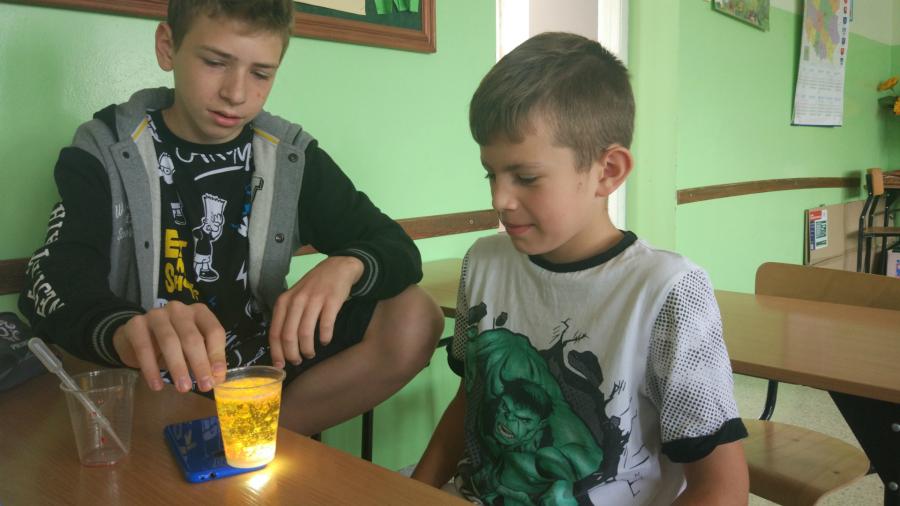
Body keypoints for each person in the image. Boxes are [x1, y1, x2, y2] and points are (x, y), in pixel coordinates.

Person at [18, 0, 444, 437]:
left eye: (261, 73)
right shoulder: (104, 149)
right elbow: (51, 279)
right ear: (168, 47)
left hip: (261, 370)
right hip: (152, 374)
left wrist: (349, 266)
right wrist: (125, 331)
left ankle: (257, 438)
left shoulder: (290, 155)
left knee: (415, 315)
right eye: (215, 62)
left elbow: (395, 247)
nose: (237, 94)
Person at [411, 32, 749, 505]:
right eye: (491, 173)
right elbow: (471, 398)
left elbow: (722, 486)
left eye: (526, 177)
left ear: (607, 171)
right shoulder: (484, 262)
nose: (500, 199)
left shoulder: (669, 292)